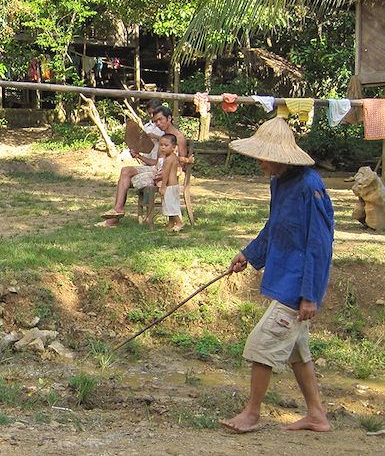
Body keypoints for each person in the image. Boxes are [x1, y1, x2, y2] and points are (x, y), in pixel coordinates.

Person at [219, 117, 334, 434]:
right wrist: (249, 254)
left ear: (280, 156)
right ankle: (317, 415)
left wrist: (310, 295)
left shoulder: (310, 187)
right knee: (298, 352)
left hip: (297, 284)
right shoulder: (279, 183)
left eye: (263, 155)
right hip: (285, 276)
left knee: (261, 344)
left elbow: (319, 245)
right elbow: (274, 229)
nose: (258, 161)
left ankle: (252, 413)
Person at [99, 105, 192, 227]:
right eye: (155, 121)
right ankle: (118, 210)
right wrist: (139, 156)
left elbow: (180, 165)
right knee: (125, 171)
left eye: (160, 120)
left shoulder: (178, 138)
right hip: (157, 168)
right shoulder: (165, 139)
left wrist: (165, 177)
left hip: (166, 175)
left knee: (126, 178)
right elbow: (157, 162)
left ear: (169, 118)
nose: (157, 123)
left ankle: (113, 219)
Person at [157, 133, 183, 232]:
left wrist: (163, 186)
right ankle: (171, 223)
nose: (163, 147)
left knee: (170, 205)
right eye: (161, 145)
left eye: (166, 145)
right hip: (174, 186)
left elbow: (166, 174)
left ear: (173, 147)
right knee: (171, 204)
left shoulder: (169, 159)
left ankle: (179, 222)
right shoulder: (173, 157)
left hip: (169, 186)